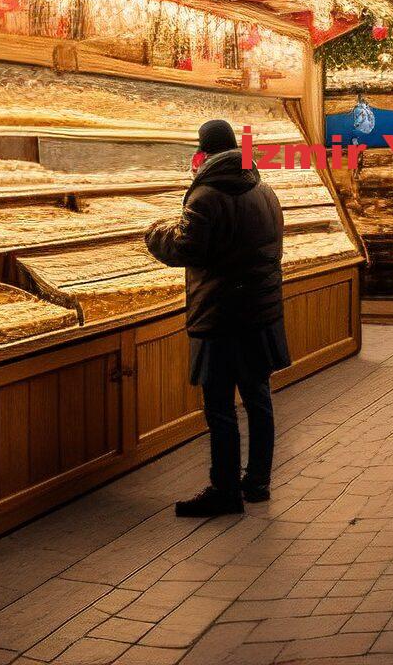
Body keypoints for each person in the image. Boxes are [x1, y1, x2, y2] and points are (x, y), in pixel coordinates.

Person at [146, 119, 289, 517]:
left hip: (222, 316)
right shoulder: (264, 190)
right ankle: (257, 482)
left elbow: (186, 250)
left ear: (204, 154)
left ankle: (225, 490)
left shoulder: (205, 196)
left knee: (220, 406)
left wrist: (156, 232)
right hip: (261, 312)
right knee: (259, 399)